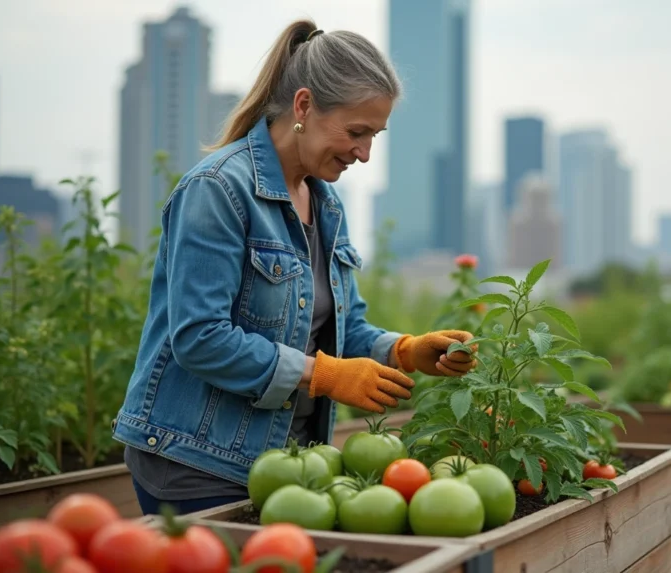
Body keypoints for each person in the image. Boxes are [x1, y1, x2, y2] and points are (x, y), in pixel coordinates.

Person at [112, 20, 478, 516]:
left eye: (374, 135)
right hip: (197, 461)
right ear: (304, 106)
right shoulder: (218, 190)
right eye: (356, 132)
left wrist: (405, 351)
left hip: (290, 462)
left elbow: (336, 331)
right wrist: (322, 375)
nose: (365, 154)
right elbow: (200, 337)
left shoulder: (325, 203)